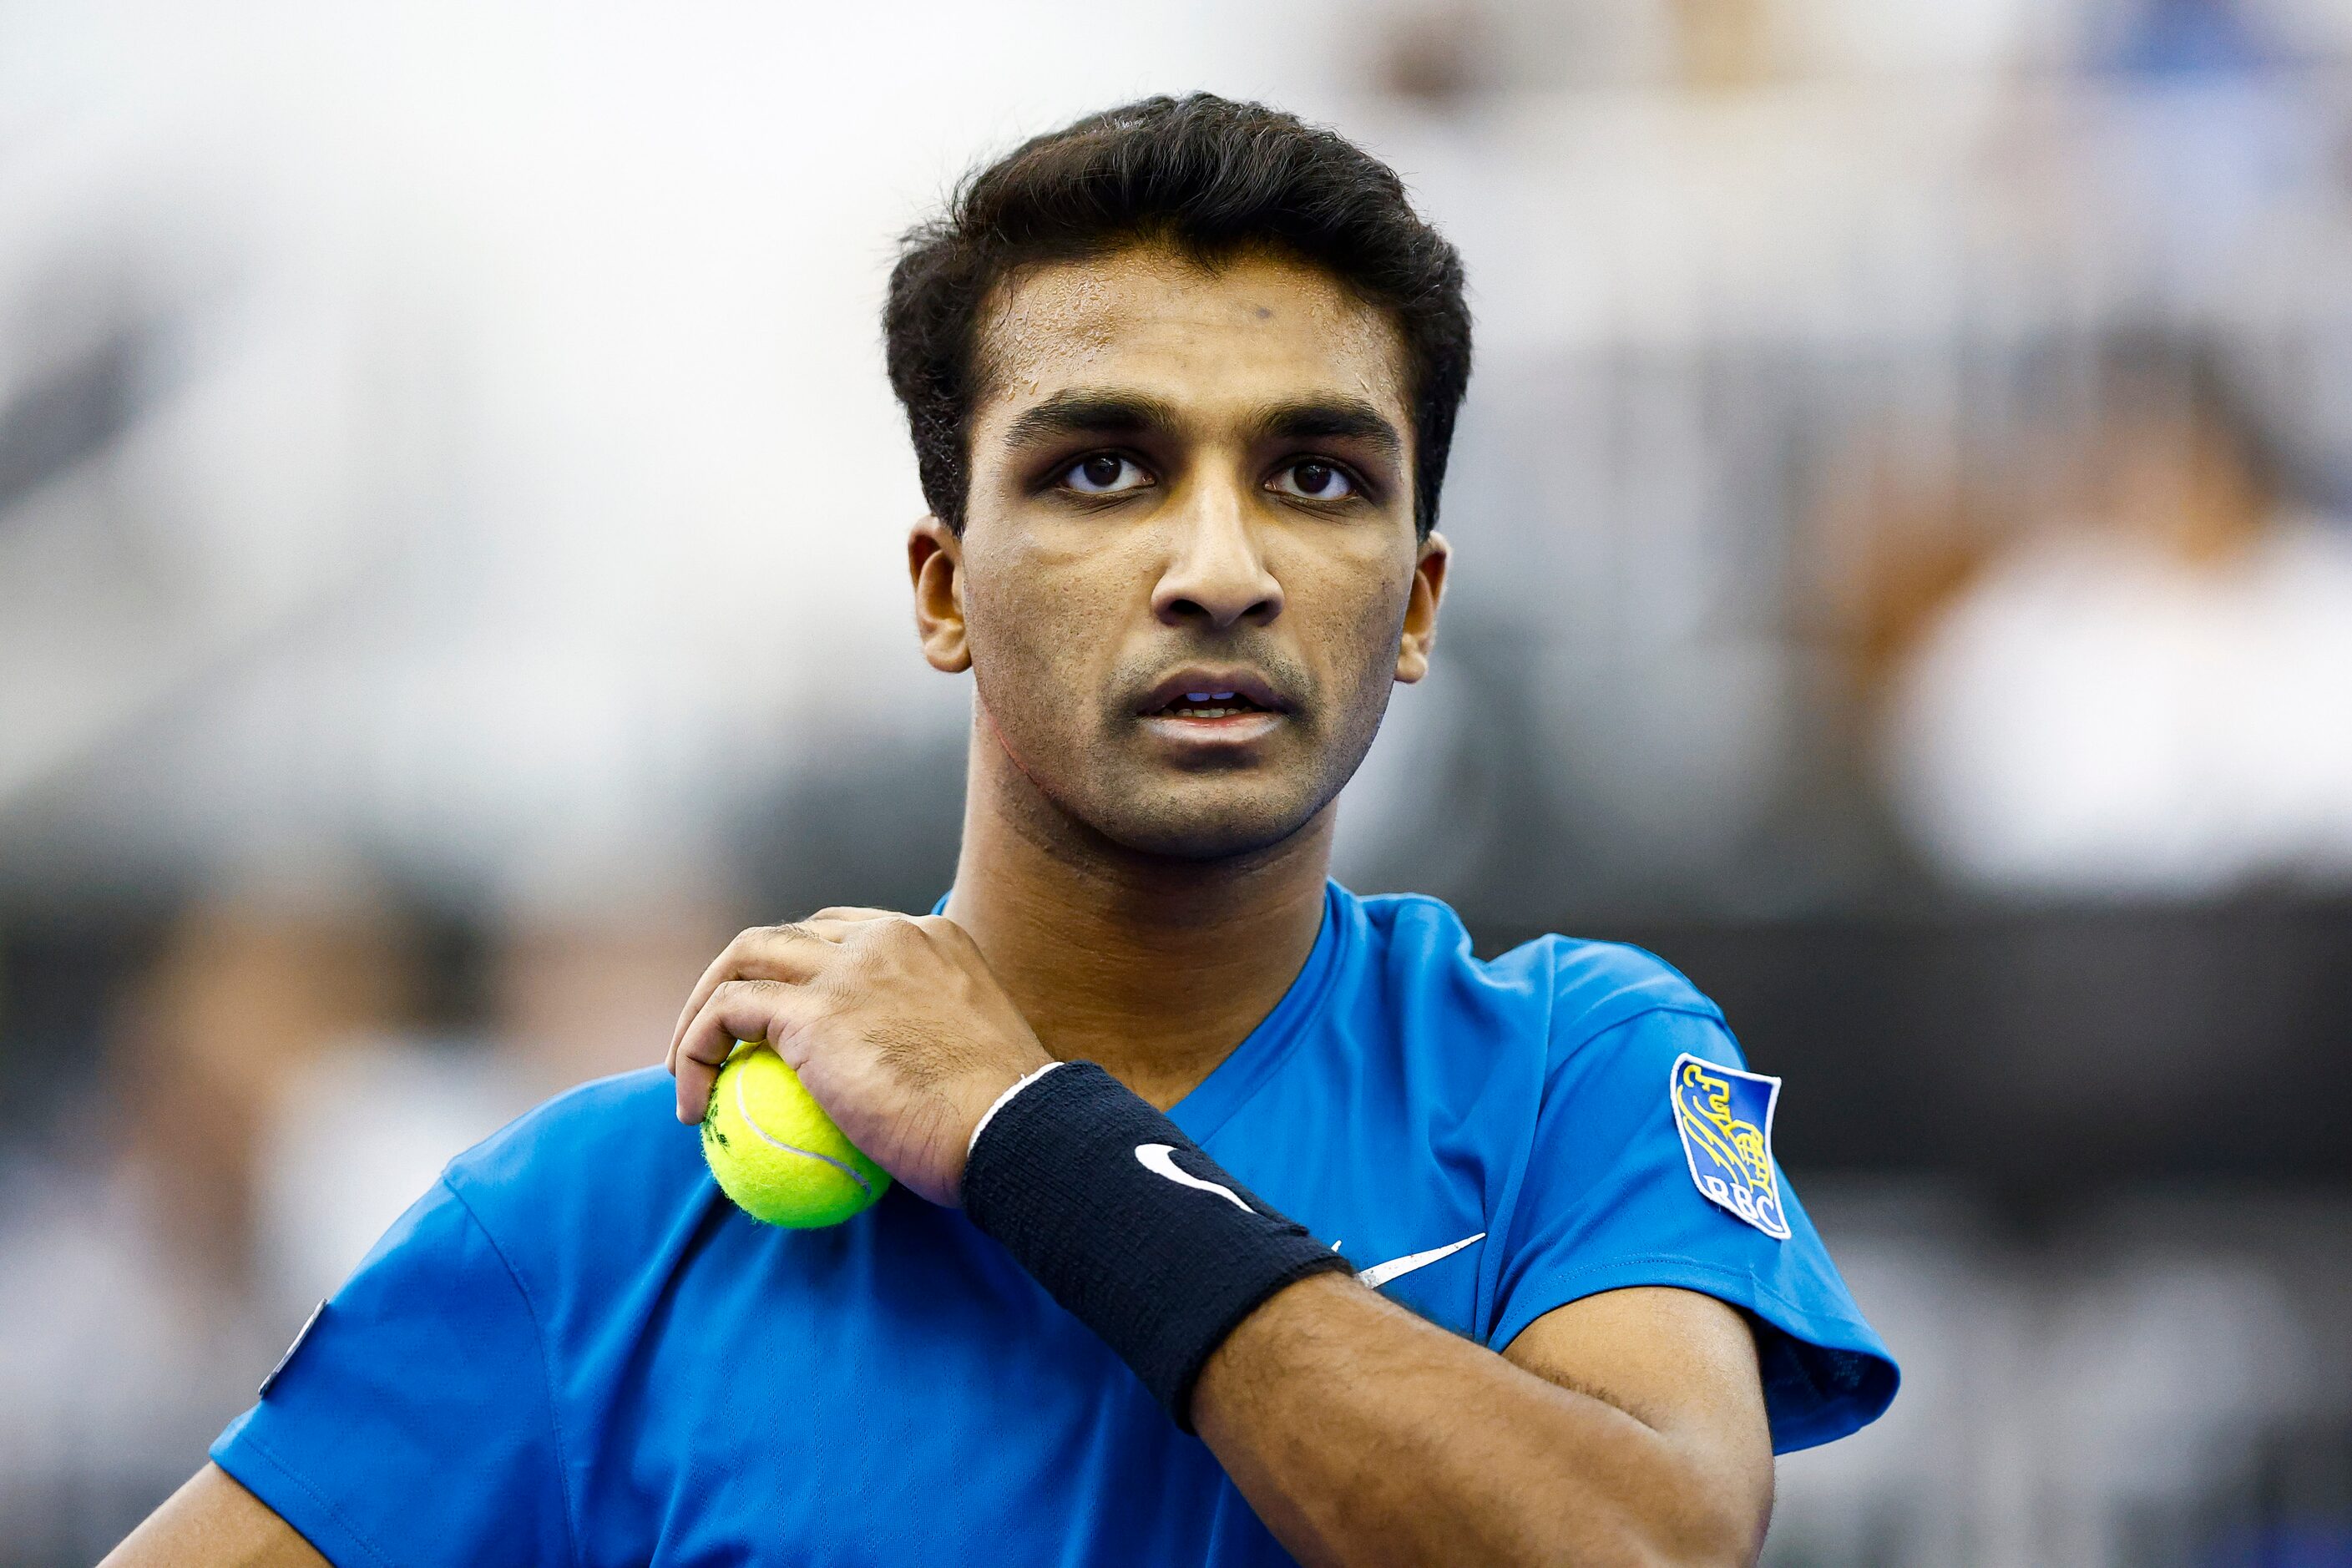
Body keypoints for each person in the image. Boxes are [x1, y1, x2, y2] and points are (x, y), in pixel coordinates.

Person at [106, 94, 1895, 1567]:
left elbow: (1643, 1551)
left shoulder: (1571, 1069)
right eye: (1100, 470)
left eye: (1318, 476)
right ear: (942, 586)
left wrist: (1020, 1130)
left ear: (1415, 604)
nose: (1217, 570)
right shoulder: (589, 1222)